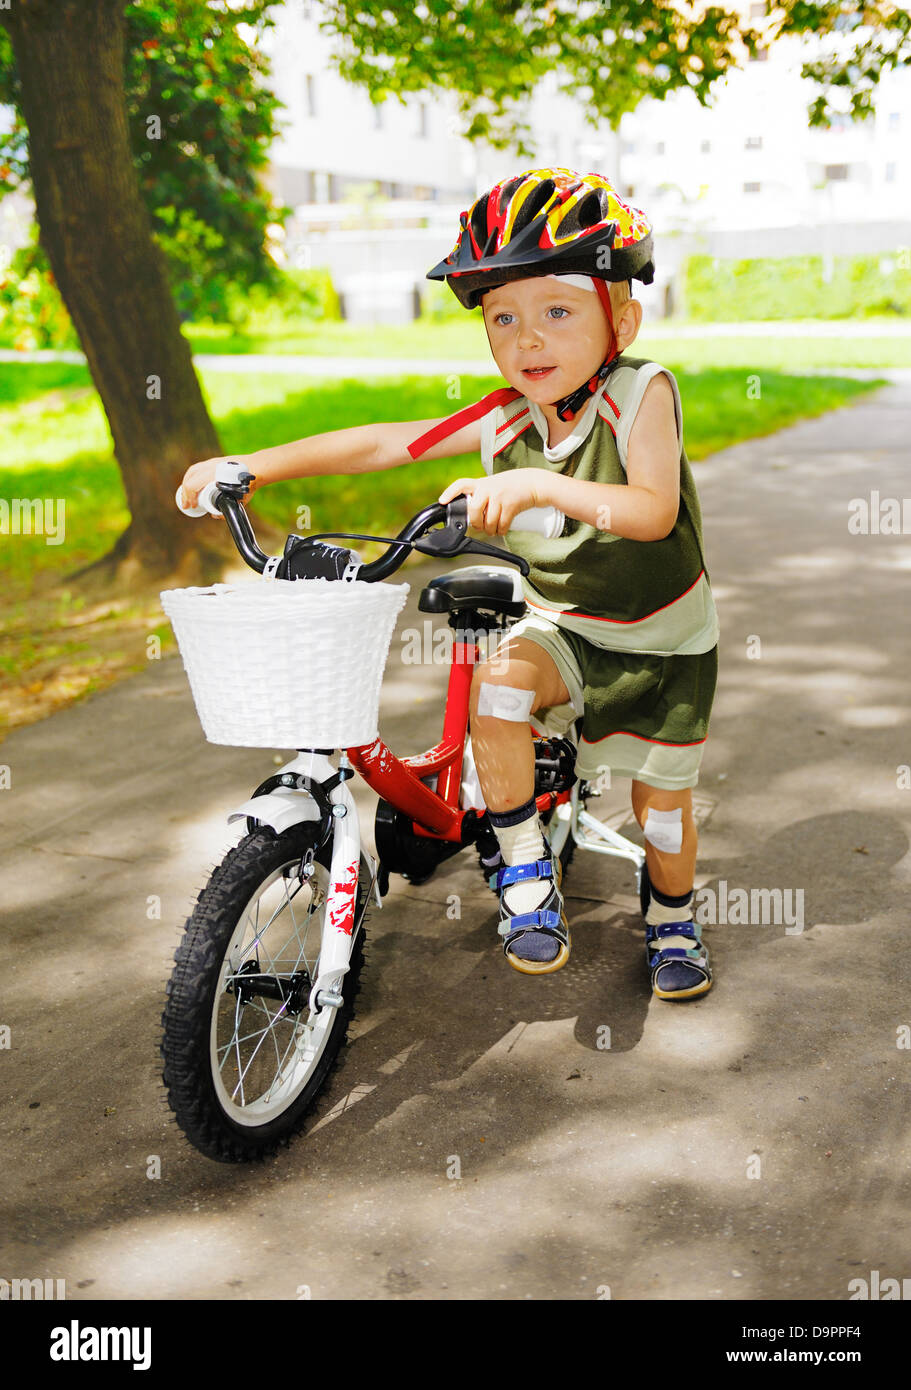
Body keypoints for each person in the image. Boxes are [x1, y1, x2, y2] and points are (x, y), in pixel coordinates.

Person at [179, 167, 720, 1001]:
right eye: (503, 318)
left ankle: (672, 916)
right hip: (566, 624)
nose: (527, 339)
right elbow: (385, 444)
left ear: (623, 318)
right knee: (497, 693)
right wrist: (251, 466)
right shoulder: (506, 417)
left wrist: (538, 488)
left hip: (662, 636)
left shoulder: (639, 392)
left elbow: (648, 512)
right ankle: (524, 875)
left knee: (660, 811)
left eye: (556, 311)